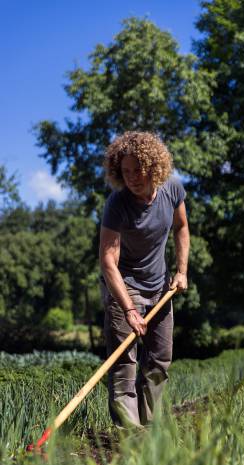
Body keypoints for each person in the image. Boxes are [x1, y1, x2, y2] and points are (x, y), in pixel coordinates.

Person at [99, 131, 190, 428]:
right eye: (125, 172)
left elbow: (181, 227)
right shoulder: (117, 204)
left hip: (160, 285)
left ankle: (150, 429)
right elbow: (108, 261)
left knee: (159, 362)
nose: (132, 177)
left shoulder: (172, 190)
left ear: (153, 166)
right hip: (124, 287)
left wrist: (181, 270)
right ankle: (129, 435)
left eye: (138, 169)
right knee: (124, 364)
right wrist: (129, 310)